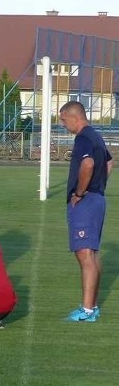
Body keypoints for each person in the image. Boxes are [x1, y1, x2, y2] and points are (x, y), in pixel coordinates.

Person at [59, 101, 113, 322]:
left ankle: (88, 310)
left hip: (87, 201)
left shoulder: (82, 138)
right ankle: (92, 306)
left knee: (84, 254)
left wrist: (80, 193)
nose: (62, 124)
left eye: (63, 120)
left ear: (75, 117)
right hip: (97, 199)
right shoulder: (96, 136)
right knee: (91, 253)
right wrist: (99, 186)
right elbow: (109, 163)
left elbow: (88, 164)